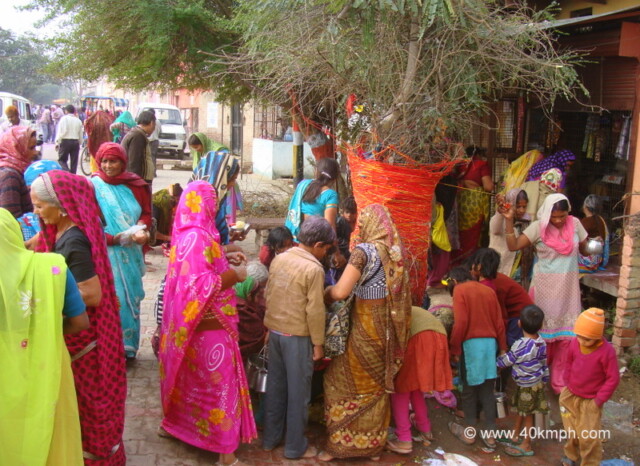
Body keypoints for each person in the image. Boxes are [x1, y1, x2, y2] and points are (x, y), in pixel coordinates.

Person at [31, 169, 128, 465]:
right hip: (81, 336)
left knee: (87, 402)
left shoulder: (73, 240)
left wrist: (45, 296)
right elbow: (27, 248)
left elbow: (92, 293)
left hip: (86, 340)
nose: (35, 212)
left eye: (38, 206)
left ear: (61, 206)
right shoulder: (58, 229)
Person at [158, 181, 256, 466]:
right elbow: (200, 284)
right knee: (221, 387)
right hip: (210, 326)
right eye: (212, 201)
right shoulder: (199, 237)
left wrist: (224, 255)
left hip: (191, 328)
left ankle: (179, 427)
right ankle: (226, 452)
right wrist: (235, 275)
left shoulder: (187, 233)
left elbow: (200, 265)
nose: (215, 206)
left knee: (191, 383)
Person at [320, 204, 411, 461]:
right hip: (386, 330)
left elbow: (340, 292)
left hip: (365, 325)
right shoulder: (394, 253)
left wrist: (324, 294)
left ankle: (341, 444)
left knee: (338, 380)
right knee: (376, 385)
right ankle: (372, 446)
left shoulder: (364, 252)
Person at [0, 208, 89, 465]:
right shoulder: (51, 268)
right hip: (44, 364)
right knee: (46, 428)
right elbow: (80, 322)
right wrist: (43, 330)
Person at [262, 216, 336, 459]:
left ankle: (270, 439)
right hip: (297, 337)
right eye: (326, 248)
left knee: (275, 389)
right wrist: (318, 344)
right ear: (318, 246)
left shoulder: (280, 259)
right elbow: (314, 310)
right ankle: (294, 447)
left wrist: (268, 326)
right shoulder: (313, 269)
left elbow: (270, 294)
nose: (326, 253)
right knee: (298, 394)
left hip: (275, 332)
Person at [501, 193, 589, 394]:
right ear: (547, 213)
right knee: (542, 333)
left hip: (568, 287)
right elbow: (513, 246)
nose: (558, 221)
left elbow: (584, 247)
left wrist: (590, 247)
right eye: (554, 216)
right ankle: (536, 376)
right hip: (544, 287)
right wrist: (508, 221)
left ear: (568, 213)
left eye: (562, 216)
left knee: (567, 335)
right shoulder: (538, 227)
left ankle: (560, 381)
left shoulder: (575, 224)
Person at [91, 142, 152, 359]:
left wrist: (141, 229)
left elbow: (146, 213)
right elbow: (90, 225)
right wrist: (116, 239)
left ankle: (128, 349)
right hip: (106, 253)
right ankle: (110, 348)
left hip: (132, 252)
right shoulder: (92, 186)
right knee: (112, 299)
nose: (108, 165)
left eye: (113, 161)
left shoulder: (136, 185)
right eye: (104, 161)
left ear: (123, 161)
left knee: (130, 299)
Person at [446, 266, 506, 452]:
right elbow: (499, 322)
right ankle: (490, 436)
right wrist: (503, 348)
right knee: (488, 390)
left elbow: (461, 322)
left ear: (454, 281)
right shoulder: (488, 290)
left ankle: (470, 433)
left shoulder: (459, 290)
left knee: (469, 391)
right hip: (490, 345)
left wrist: (454, 347)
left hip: (471, 346)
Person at [387, 306, 454, 455]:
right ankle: (424, 428)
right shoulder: (407, 308)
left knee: (401, 388)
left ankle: (404, 439)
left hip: (421, 338)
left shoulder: (390, 311)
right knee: (415, 386)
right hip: (439, 337)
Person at [560, 308, 620, 466]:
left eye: (586, 339)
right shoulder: (574, 343)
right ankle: (571, 455)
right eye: (578, 336)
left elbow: (613, 379)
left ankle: (590, 462)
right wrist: (567, 381)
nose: (581, 341)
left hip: (591, 401)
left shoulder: (607, 352)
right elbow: (569, 362)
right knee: (571, 429)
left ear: (598, 337)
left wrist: (598, 401)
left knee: (589, 437)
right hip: (570, 395)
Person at [496, 304, 549, 457]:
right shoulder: (541, 342)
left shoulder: (521, 345)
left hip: (527, 385)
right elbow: (544, 362)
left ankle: (526, 444)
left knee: (528, 414)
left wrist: (495, 363)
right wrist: (545, 378)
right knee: (522, 409)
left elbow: (508, 360)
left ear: (519, 323)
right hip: (535, 383)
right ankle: (515, 435)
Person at [193, 149, 244, 245]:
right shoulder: (199, 205)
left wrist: (229, 237)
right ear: (221, 179)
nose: (233, 184)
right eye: (232, 179)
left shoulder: (219, 198)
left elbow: (216, 231)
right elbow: (202, 243)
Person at [452, 145, 493, 264]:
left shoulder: (459, 166)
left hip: (460, 205)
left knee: (461, 235)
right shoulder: (481, 164)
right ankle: (470, 264)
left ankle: (455, 264)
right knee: (472, 235)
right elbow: (488, 187)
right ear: (478, 154)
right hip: (474, 206)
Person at [285, 157, 340, 239]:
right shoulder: (330, 194)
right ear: (335, 178)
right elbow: (330, 226)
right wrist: (335, 248)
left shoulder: (303, 184)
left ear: (316, 172)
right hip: (312, 241)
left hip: (290, 236)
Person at [489, 188, 532, 283]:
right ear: (510, 203)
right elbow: (495, 230)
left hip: (520, 270)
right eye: (518, 206)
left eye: (524, 207)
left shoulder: (528, 221)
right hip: (501, 267)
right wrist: (500, 213)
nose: (521, 210)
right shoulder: (499, 219)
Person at [18, 160, 62, 241]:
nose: (33, 195)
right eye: (29, 190)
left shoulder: (69, 228)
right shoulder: (26, 222)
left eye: (41, 191)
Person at [235, 261, 270, 360]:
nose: (264, 290)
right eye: (262, 287)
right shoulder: (241, 310)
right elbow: (257, 341)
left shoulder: (241, 295)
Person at [0, 126, 36, 218]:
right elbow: (11, 218)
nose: (35, 153)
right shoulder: (10, 176)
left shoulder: (15, 170)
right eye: (31, 148)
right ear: (16, 148)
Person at [121, 110, 156, 184]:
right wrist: (136, 182)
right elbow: (134, 162)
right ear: (152, 123)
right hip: (139, 180)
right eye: (154, 125)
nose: (154, 129)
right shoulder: (138, 135)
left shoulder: (137, 133)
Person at [578, 194, 609, 273]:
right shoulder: (600, 219)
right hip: (598, 260)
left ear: (585, 207)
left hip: (588, 262)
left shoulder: (586, 222)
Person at [55, 105, 84, 174]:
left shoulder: (64, 119)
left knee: (62, 160)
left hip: (65, 141)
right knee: (74, 162)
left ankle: (67, 172)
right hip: (75, 142)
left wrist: (57, 141)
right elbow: (80, 134)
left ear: (66, 111)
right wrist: (80, 142)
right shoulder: (78, 120)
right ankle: (73, 176)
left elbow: (61, 131)